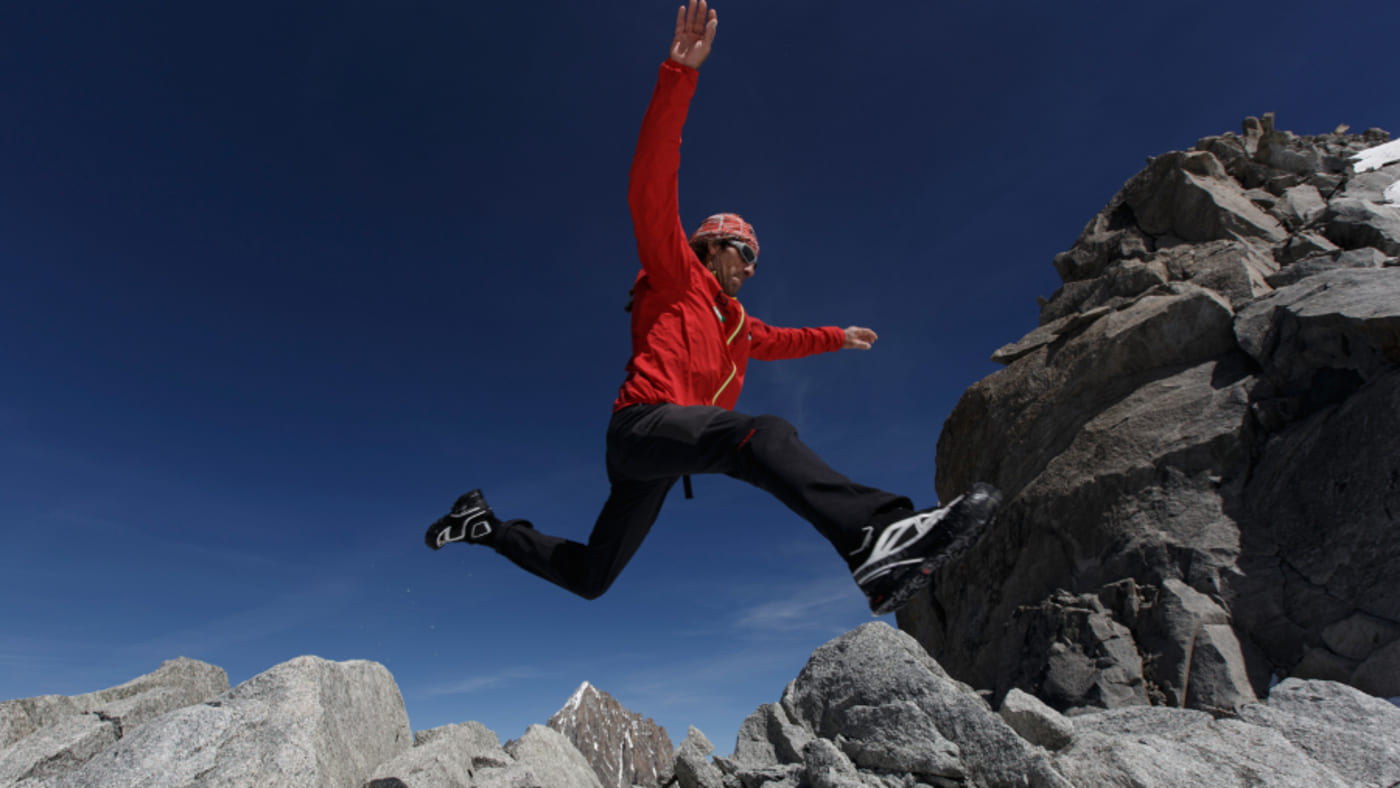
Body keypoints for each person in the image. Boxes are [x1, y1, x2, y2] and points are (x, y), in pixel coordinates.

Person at [425, 0, 1000, 616]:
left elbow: (781, 339)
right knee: (761, 433)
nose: (752, 269)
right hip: (643, 426)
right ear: (712, 246)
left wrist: (838, 335)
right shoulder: (675, 273)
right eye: (745, 254)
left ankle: (484, 526)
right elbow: (652, 179)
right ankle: (876, 532)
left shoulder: (737, 324)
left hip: (662, 459)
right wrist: (679, 74)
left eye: (755, 260)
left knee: (593, 575)